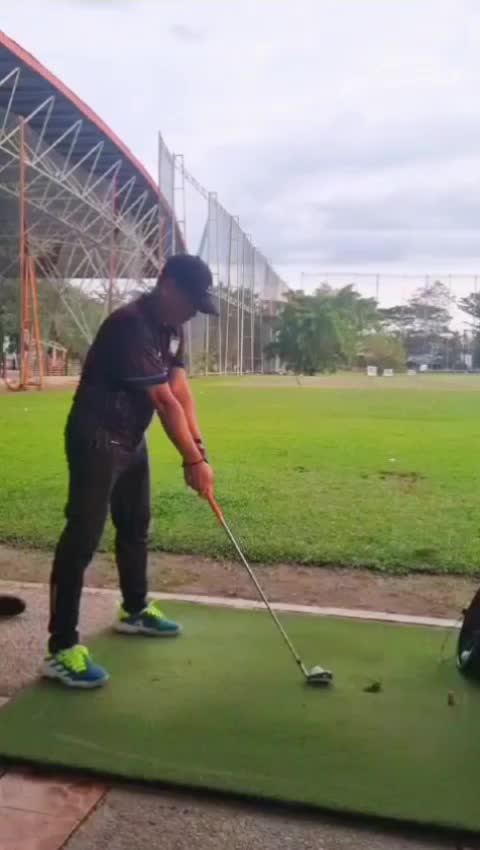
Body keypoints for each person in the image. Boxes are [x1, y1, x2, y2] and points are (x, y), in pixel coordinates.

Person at [43, 254, 217, 688]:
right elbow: (163, 401)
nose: (192, 312)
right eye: (190, 302)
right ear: (167, 285)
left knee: (136, 524)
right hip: (96, 438)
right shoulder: (130, 325)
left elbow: (180, 389)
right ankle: (61, 649)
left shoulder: (172, 328)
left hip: (131, 438)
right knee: (82, 537)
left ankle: (134, 609)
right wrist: (192, 461)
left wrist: (198, 448)